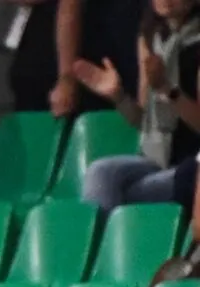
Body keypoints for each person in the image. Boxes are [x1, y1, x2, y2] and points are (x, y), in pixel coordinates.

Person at [74, 0, 200, 212]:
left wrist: (167, 90)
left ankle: (106, 241)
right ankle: (97, 243)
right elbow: (143, 120)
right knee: (100, 172)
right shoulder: (152, 37)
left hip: (191, 166)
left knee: (127, 194)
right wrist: (118, 96)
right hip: (157, 157)